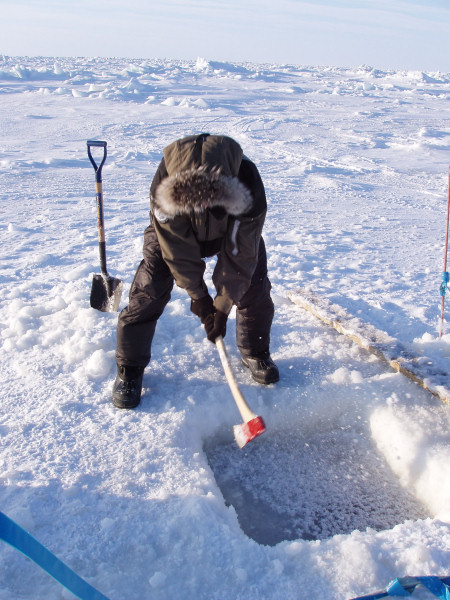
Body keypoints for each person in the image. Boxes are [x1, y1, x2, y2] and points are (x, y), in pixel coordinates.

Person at [112, 133, 279, 409]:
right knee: (150, 287)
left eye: (211, 199)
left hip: (231, 231)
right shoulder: (164, 190)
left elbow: (240, 254)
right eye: (195, 201)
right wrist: (199, 297)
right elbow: (176, 249)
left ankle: (255, 350)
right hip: (174, 235)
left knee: (253, 284)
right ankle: (129, 367)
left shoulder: (248, 184)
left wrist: (222, 306)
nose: (202, 206)